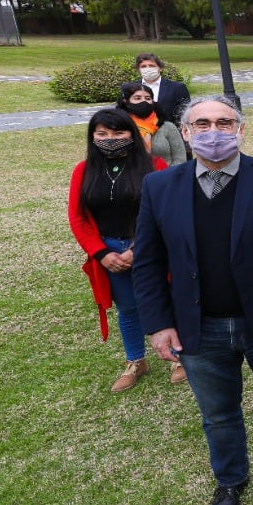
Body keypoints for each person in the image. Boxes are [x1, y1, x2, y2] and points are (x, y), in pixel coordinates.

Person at [133, 96, 253, 505]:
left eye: (224, 122)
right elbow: (148, 261)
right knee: (218, 412)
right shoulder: (159, 187)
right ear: (185, 133)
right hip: (198, 326)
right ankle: (231, 479)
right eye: (201, 124)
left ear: (241, 129)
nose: (212, 131)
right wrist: (159, 324)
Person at [68, 108, 171, 392]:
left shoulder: (155, 165)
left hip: (151, 247)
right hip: (110, 251)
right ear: (92, 137)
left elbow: (166, 213)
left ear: (132, 134)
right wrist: (102, 253)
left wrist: (139, 249)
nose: (109, 139)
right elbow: (78, 217)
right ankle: (136, 361)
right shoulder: (83, 170)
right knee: (128, 307)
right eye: (101, 134)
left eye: (118, 133)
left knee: (167, 297)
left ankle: (178, 356)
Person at [117, 81, 186, 166]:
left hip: (166, 175)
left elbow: (180, 158)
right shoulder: (119, 127)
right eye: (137, 98)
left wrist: (168, 175)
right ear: (126, 102)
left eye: (148, 98)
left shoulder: (167, 127)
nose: (144, 101)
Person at [135, 52, 190, 127]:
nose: (147, 69)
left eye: (151, 66)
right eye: (143, 66)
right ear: (139, 70)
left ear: (160, 68)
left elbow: (185, 113)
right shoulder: (130, 88)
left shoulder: (177, 87)